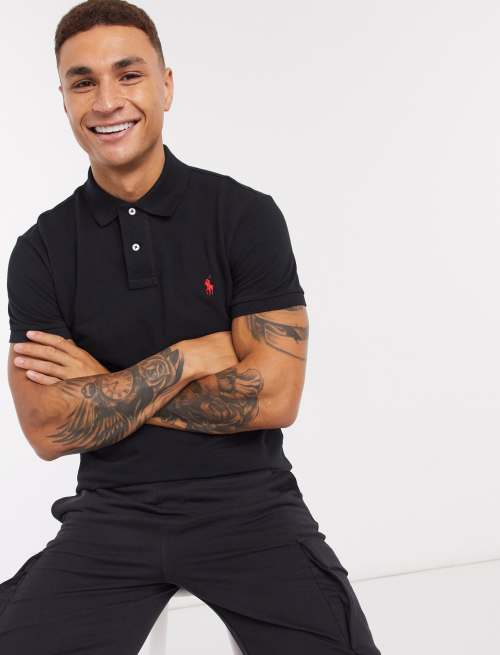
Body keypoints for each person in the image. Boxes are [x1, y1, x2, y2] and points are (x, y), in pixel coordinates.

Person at [0, 1, 382, 653]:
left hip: (250, 506)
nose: (107, 101)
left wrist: (105, 386)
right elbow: (48, 428)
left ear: (166, 85)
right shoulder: (40, 251)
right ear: (63, 99)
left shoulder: (244, 216)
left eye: (129, 74)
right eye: (83, 82)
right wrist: (187, 357)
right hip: (111, 513)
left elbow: (275, 397)